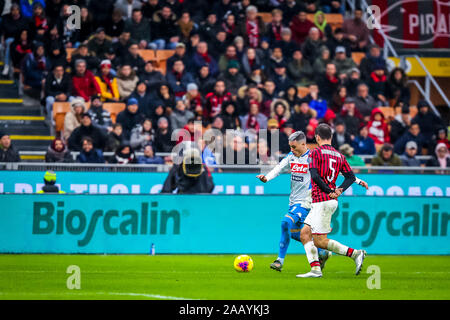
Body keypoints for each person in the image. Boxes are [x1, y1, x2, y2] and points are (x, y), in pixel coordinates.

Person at [256, 130, 367, 272]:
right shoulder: (291, 156)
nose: (292, 150)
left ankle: (280, 260)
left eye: (294, 147)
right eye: (290, 147)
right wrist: (267, 178)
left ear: (303, 144)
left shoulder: (313, 156)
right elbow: (278, 168)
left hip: (307, 202)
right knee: (300, 234)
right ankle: (322, 253)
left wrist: (357, 181)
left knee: (285, 222)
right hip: (294, 201)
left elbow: (337, 170)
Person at [298, 123, 367, 278]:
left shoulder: (315, 153)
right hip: (326, 200)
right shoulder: (339, 155)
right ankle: (315, 269)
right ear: (331, 137)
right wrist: (339, 190)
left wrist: (330, 191)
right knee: (304, 234)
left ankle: (356, 254)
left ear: (317, 137)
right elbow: (350, 177)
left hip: (322, 200)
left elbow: (314, 176)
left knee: (320, 241)